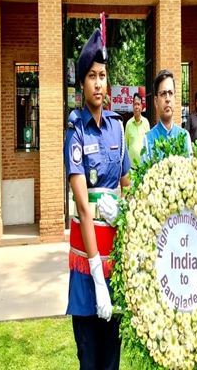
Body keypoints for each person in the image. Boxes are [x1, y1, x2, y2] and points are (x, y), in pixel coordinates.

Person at [64, 28, 131, 370]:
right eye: (92, 76)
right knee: (89, 360)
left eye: (103, 76)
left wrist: (124, 210)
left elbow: (129, 189)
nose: (99, 83)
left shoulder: (118, 129)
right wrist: (97, 281)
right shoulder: (74, 132)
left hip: (113, 262)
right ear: (82, 84)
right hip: (87, 268)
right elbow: (81, 206)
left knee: (112, 361)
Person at [142, 69, 193, 161]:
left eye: (170, 93)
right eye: (163, 94)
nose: (168, 99)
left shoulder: (184, 136)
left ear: (175, 98)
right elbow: (144, 175)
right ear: (156, 101)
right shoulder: (148, 140)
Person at [125, 92, 150, 168]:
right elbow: (126, 145)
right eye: (135, 104)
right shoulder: (128, 124)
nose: (136, 107)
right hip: (131, 168)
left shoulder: (146, 122)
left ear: (142, 106)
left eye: (138, 104)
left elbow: (148, 143)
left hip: (144, 167)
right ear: (132, 106)